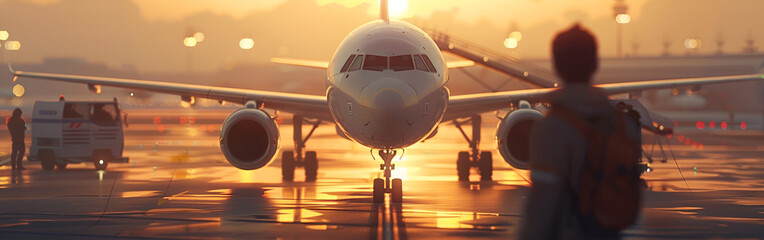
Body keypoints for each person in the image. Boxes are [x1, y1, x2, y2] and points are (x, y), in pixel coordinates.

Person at [518, 24, 640, 239]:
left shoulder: (552, 128)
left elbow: (543, 205)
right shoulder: (624, 124)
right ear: (595, 64)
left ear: (557, 66)